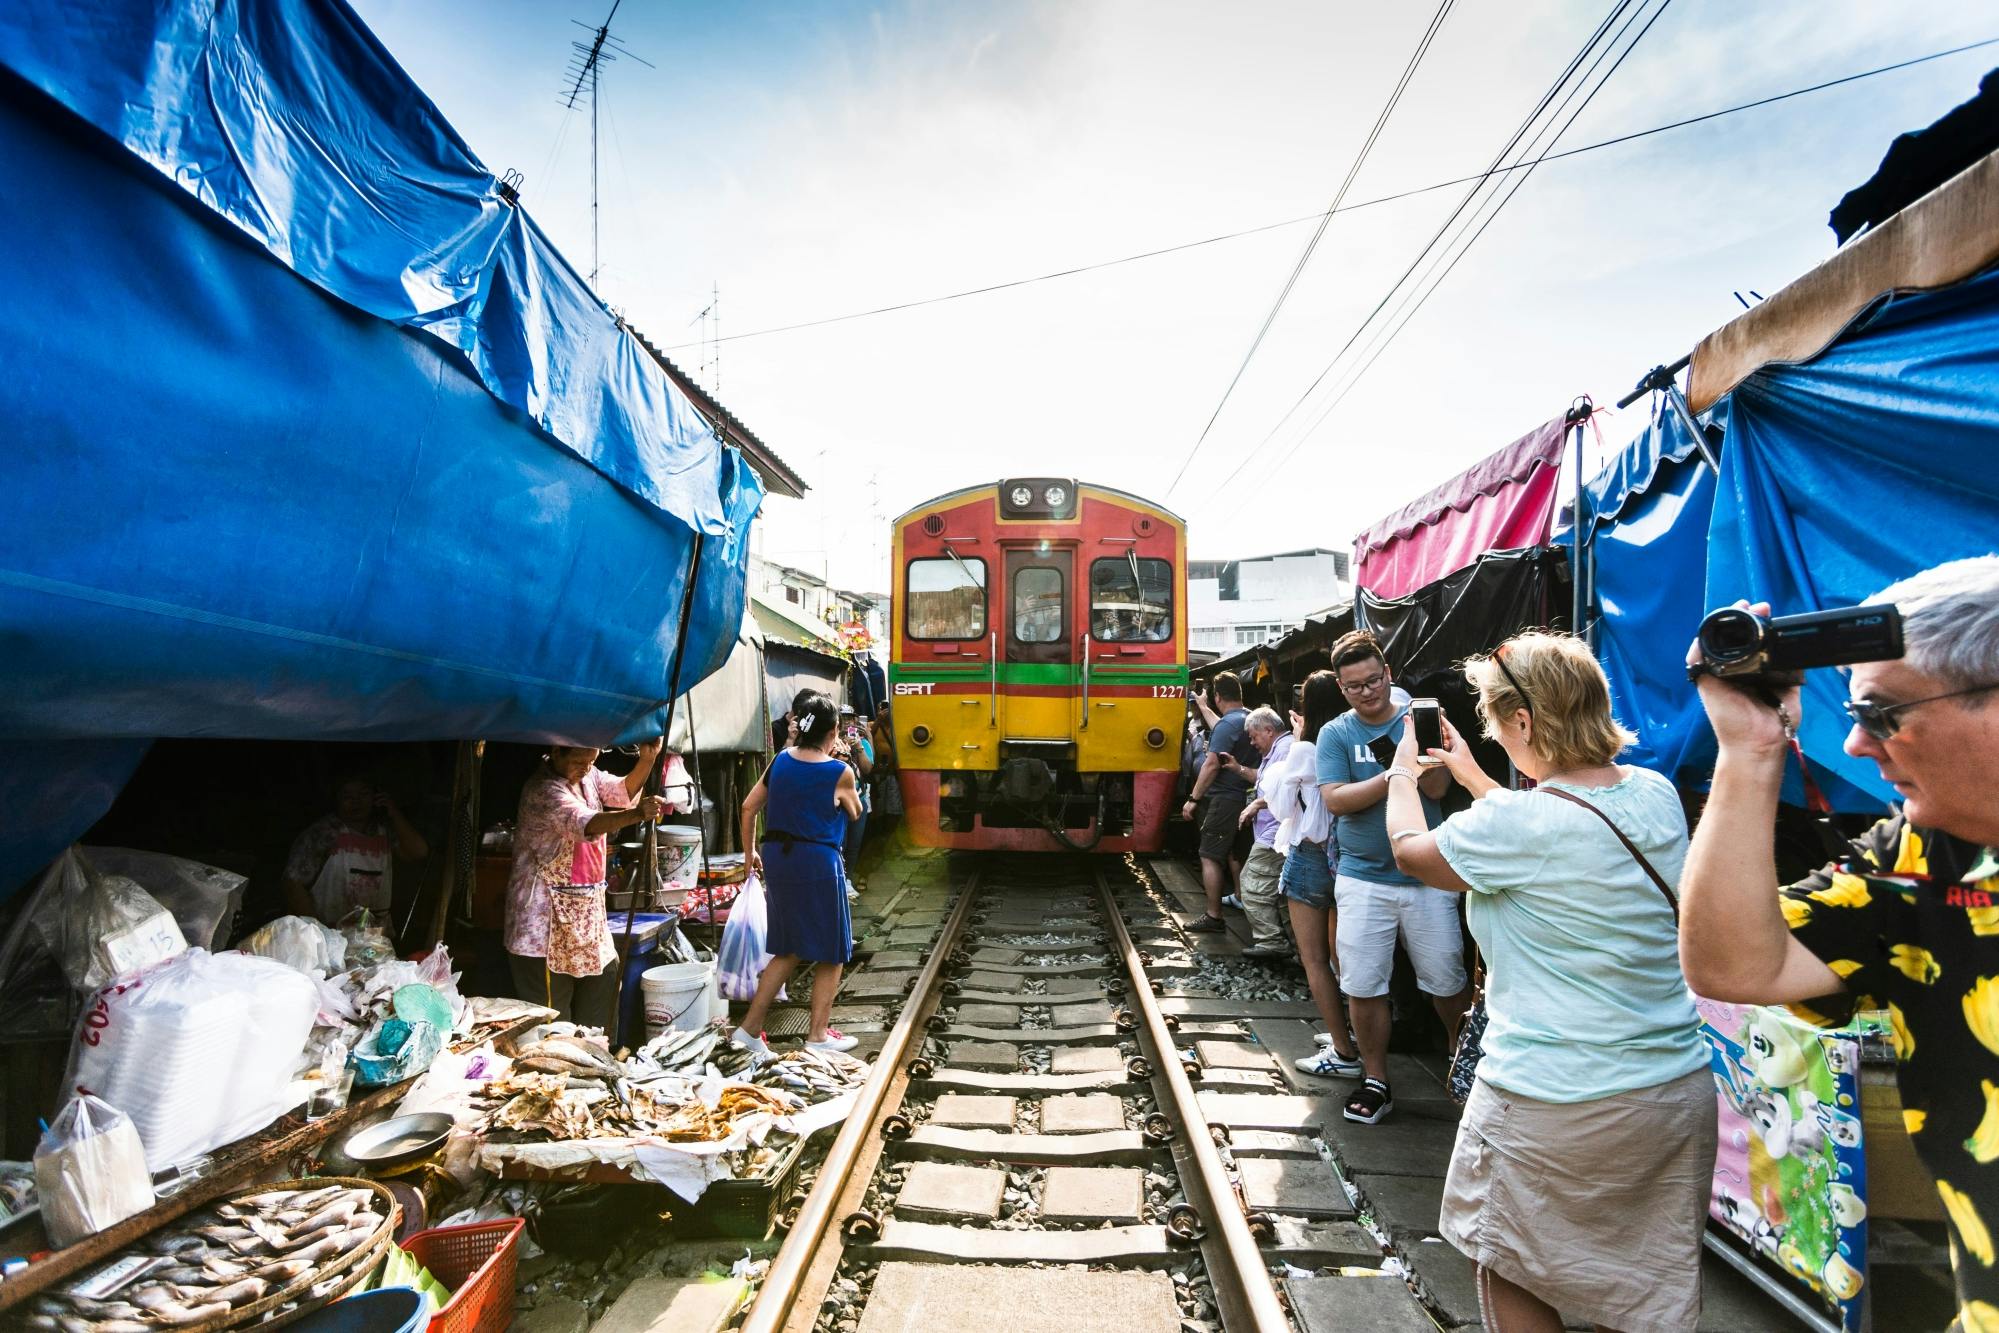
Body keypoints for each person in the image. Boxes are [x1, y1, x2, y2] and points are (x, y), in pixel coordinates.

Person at [1679, 556, 1999, 1328]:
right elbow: (1732, 963)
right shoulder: (1925, 855)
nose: (1854, 744)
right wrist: (1749, 748)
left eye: (1880, 713)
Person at [1385, 631, 1714, 1333]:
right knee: (1636, 1283)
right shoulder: (1653, 793)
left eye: (1492, 715)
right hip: (1670, 1089)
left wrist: (1401, 775)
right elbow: (1553, 821)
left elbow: (1412, 852)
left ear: (1524, 722)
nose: (1488, 728)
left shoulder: (1515, 824)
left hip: (1552, 1096)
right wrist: (1476, 777)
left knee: (1511, 1259)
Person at [1316, 630, 1470, 1124]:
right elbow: (1335, 800)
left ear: (1387, 674)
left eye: (1374, 680)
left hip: (1427, 875)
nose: (1368, 691)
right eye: (1355, 685)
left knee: (1446, 980)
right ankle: (1375, 1077)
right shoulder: (1336, 733)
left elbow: (1442, 785)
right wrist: (1395, 772)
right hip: (1363, 879)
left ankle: (1457, 1057)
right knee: (1363, 985)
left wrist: (1416, 750)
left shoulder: (1418, 720)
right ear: (1342, 688)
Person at [504, 739, 672, 1026]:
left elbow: (621, 793)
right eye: (579, 762)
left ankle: (598, 1055)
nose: (586, 768)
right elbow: (586, 823)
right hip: (542, 925)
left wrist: (647, 759)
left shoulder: (588, 775)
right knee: (552, 1022)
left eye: (591, 761)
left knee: (605, 985)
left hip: (585, 917)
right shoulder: (543, 790)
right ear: (556, 752)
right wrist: (635, 815)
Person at [733, 693, 864, 1055]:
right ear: (834, 730)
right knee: (832, 950)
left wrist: (749, 854)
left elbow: (748, 808)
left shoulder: (780, 761)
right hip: (817, 862)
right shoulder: (839, 771)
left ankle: (749, 1029)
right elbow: (854, 812)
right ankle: (818, 1036)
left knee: (788, 948)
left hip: (778, 858)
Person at [1278, 670, 1365, 1078]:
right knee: (1344, 956)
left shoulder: (1305, 748)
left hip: (1312, 856)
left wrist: (1296, 743)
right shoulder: (1351, 740)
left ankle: (1344, 1051)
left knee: (1315, 960)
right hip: (1350, 855)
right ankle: (1355, 1036)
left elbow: (1279, 808)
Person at [282, 775, 428, 926]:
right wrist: (317, 929)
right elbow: (293, 883)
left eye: (363, 794)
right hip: (329, 934)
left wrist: (394, 813)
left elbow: (419, 852)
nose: (356, 802)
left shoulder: (384, 832)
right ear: (336, 799)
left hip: (372, 936)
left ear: (375, 797)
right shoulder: (323, 833)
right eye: (347, 796)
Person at [1182, 672, 1258, 933]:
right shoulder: (1250, 718)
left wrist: (1193, 799)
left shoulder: (1228, 725)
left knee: (1209, 855)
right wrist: (1203, 707)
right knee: (1235, 852)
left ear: (1218, 696)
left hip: (1225, 799)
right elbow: (1223, 728)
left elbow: (1212, 764)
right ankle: (1240, 897)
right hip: (1248, 798)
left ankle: (1213, 916)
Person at [1233, 706, 1295, 959]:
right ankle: (1297, 949)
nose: (1251, 741)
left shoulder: (1285, 750)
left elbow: (1285, 791)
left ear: (1268, 730)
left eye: (1253, 735)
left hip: (1277, 833)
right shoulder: (1279, 749)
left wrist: (1255, 805)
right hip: (1276, 832)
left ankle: (1271, 941)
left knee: (1253, 883)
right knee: (1281, 893)